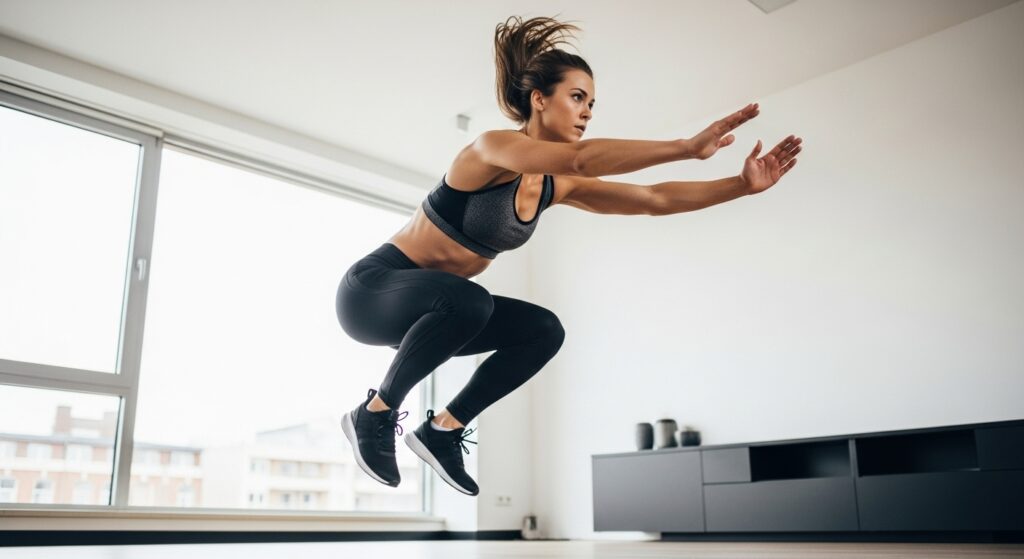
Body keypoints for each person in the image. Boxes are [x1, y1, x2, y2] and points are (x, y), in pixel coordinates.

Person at [335, 15, 801, 496]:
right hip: (372, 295)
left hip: (431, 318)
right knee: (472, 301)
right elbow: (581, 158)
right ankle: (374, 414)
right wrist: (686, 146)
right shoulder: (490, 149)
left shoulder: (555, 187)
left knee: (543, 330)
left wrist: (741, 187)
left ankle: (444, 430)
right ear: (539, 99)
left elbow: (653, 199)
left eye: (592, 104)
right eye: (577, 97)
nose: (587, 113)